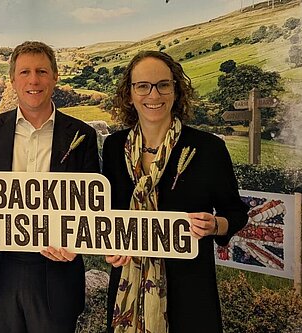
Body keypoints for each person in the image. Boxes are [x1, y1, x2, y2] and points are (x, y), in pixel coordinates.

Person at [102, 50, 248, 333]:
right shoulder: (113, 147)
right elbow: (107, 217)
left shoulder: (208, 148)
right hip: (127, 288)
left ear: (176, 90)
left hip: (190, 291)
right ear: (129, 94)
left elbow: (236, 212)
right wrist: (109, 246)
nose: (153, 95)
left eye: (163, 85)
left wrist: (216, 225)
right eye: (142, 86)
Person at [0, 40, 100, 333]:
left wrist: (77, 244)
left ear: (55, 77)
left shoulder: (82, 135)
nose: (33, 80)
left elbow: (91, 203)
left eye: (42, 71)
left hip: (56, 271)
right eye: (25, 72)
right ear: (13, 80)